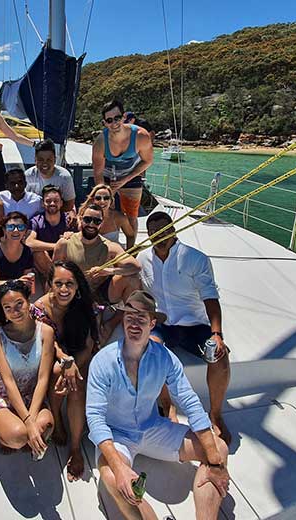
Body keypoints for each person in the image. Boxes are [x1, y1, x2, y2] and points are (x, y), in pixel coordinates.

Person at [86, 290, 230, 520]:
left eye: (141, 318)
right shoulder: (102, 361)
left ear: (152, 323)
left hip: (152, 427)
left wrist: (214, 460)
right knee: (113, 477)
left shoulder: (165, 358)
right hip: (118, 436)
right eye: (129, 316)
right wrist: (119, 467)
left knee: (219, 448)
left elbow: (190, 402)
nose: (134, 323)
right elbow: (94, 418)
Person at [139, 212, 231, 444]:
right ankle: (167, 406)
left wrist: (217, 334)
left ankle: (216, 414)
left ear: (173, 229)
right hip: (164, 325)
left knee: (218, 356)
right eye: (154, 232)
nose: (159, 235)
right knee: (152, 351)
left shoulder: (195, 259)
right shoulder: (143, 259)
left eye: (164, 229)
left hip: (195, 326)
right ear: (149, 235)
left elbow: (210, 298)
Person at [32, 261, 99, 481]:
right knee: (56, 371)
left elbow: (88, 345)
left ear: (78, 285)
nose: (64, 289)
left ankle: (76, 446)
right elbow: (48, 344)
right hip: (51, 356)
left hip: (79, 355)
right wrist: (66, 362)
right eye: (58, 283)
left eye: (69, 283)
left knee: (77, 385)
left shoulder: (84, 305)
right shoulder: (40, 309)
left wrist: (74, 367)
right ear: (49, 285)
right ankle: (58, 422)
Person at [0, 281, 57, 458]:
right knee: (18, 436)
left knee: (46, 426)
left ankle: (26, 434)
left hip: (33, 395)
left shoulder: (46, 332)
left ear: (28, 301)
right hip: (6, 396)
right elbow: (9, 382)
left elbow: (43, 378)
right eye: (8, 307)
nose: (15, 311)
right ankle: (5, 438)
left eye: (19, 304)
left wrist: (32, 417)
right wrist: (29, 423)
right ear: (3, 311)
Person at [53, 204, 141, 342]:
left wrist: (109, 270)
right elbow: (53, 275)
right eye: (87, 219)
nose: (91, 224)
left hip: (101, 292)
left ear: (102, 223)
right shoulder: (64, 243)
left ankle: (119, 318)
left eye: (97, 221)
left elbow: (135, 267)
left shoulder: (110, 247)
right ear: (80, 219)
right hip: (75, 293)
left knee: (132, 279)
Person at [92, 99, 153, 249]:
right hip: (107, 176)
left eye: (117, 118)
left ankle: (131, 249)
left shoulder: (141, 136)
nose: (114, 123)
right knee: (104, 211)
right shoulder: (101, 142)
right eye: (109, 120)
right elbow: (98, 172)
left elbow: (147, 161)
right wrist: (105, 192)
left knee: (132, 214)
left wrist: (125, 179)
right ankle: (103, 246)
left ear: (124, 117)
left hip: (130, 174)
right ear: (104, 123)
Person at [25, 186, 74, 278]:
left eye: (56, 201)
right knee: (38, 253)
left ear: (61, 203)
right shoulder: (36, 220)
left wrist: (73, 236)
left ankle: (53, 280)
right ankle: (54, 279)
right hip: (43, 264)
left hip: (66, 263)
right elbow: (29, 243)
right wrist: (58, 246)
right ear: (43, 204)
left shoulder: (70, 220)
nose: (52, 203)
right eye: (48, 201)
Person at [0, 212, 35, 288]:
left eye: (20, 227)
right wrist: (17, 282)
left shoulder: (27, 252)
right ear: (4, 230)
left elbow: (27, 282)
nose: (16, 230)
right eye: (11, 227)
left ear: (25, 231)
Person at [24, 138, 76, 212]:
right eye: (41, 160)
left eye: (49, 160)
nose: (45, 163)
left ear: (55, 160)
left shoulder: (65, 177)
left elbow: (69, 203)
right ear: (35, 160)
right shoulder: (28, 175)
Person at [82, 184, 135, 249]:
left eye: (106, 198)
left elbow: (131, 236)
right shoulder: (83, 217)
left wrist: (128, 254)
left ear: (111, 201)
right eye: (98, 198)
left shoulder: (119, 217)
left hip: (113, 256)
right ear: (93, 200)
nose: (102, 201)